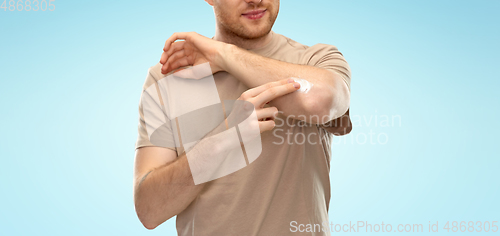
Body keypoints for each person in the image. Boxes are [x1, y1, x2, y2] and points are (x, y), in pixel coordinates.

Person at [133, 0, 352, 235]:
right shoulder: (170, 78)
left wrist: (223, 54)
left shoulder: (317, 60)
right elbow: (149, 211)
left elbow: (320, 102)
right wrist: (223, 139)